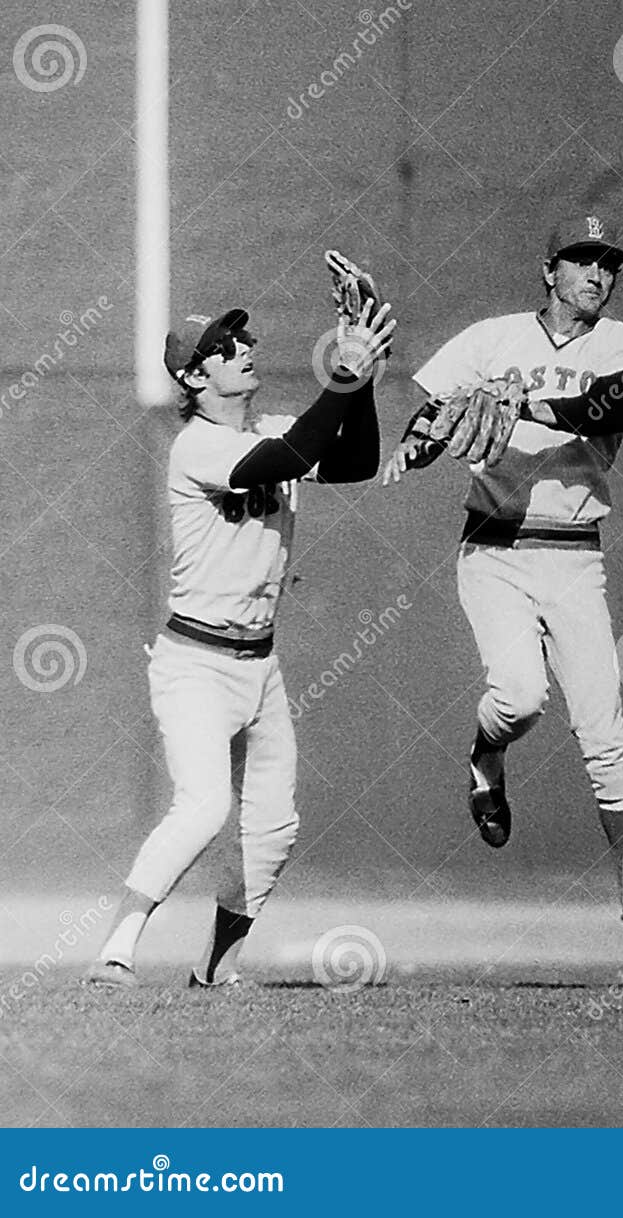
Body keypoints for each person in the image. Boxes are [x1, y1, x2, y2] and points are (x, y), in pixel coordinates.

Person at [381, 213, 623, 965]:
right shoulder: (492, 340)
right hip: (494, 550)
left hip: (575, 556)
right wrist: (419, 442)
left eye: (608, 264)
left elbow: (602, 409)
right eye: (581, 262)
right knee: (518, 696)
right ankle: (486, 757)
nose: (598, 276)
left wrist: (517, 404)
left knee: (605, 730)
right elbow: (435, 412)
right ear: (549, 271)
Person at [86, 291, 395, 989]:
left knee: (275, 826)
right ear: (195, 377)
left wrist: (364, 375)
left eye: (244, 340)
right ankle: (116, 947)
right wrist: (341, 377)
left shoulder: (274, 428)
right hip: (195, 661)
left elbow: (354, 463)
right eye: (225, 348)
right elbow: (289, 455)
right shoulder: (196, 445)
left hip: (260, 665)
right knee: (203, 806)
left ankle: (218, 967)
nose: (244, 350)